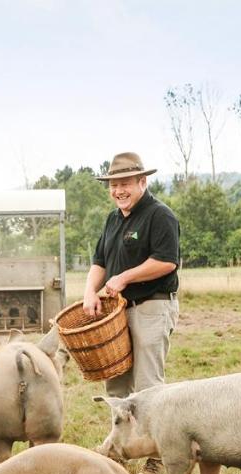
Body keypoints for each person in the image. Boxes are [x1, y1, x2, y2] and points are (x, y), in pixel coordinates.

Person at [82, 151, 181, 400]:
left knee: (147, 385)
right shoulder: (113, 219)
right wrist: (90, 292)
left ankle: (152, 439)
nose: (118, 191)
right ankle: (122, 440)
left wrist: (124, 277)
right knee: (116, 383)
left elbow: (167, 261)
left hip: (150, 306)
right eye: (113, 185)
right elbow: (100, 262)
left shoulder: (159, 215)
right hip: (116, 313)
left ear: (142, 182)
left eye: (125, 184)